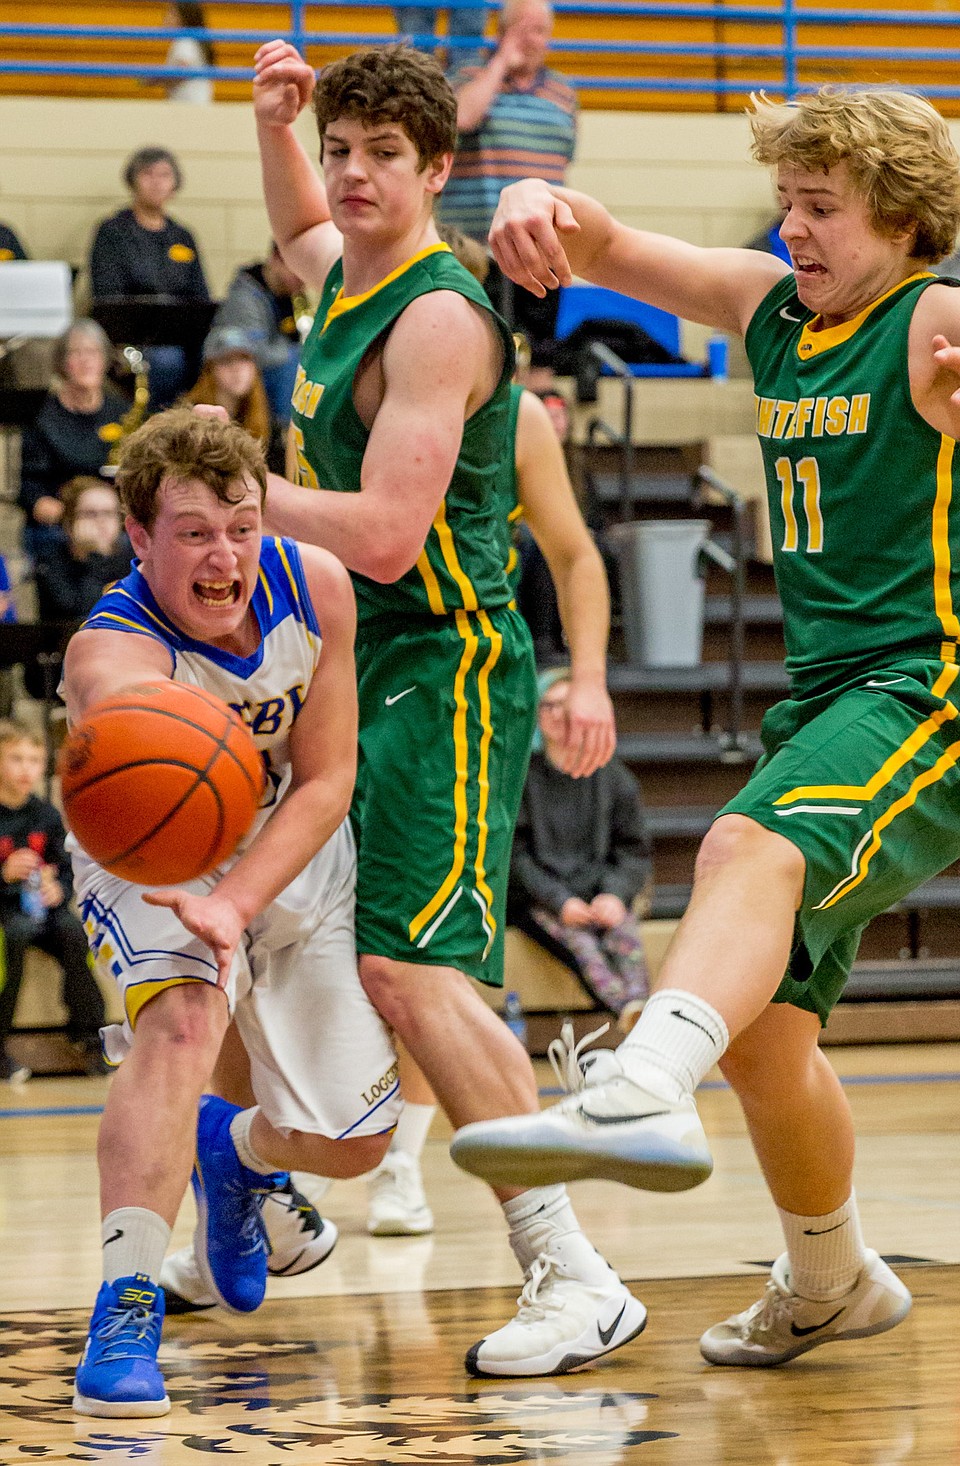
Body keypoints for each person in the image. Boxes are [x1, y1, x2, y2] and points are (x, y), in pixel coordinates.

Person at [447, 85, 960, 1368]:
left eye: (822, 207)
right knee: (768, 1032)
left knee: (737, 850)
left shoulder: (934, 314)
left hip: (933, 697)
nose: (796, 228)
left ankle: (642, 1082)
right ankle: (831, 1275)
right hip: (827, 702)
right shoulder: (772, 309)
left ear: (900, 215)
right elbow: (610, 248)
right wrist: (536, 205)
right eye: (788, 203)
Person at [250, 38, 639, 1376]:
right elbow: (301, 224)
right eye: (340, 148)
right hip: (358, 657)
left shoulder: (434, 315)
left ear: (440, 171)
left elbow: (389, 533)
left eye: (380, 158)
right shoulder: (341, 275)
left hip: (445, 663)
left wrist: (239, 497)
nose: (349, 177)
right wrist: (273, 123)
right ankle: (241, 1192)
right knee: (305, 949)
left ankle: (568, 1269)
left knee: (415, 972)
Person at [67, 409, 401, 1417]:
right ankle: (126, 1301)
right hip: (151, 847)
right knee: (178, 1022)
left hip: (284, 843)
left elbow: (328, 774)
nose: (226, 555)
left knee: (356, 1142)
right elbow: (118, 705)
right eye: (195, 531)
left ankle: (238, 1148)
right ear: (139, 537)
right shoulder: (108, 652)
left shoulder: (319, 586)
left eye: (243, 526)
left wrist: (240, 898)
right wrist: (206, 901)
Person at [365, 376, 613, 1240]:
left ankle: (408, 1163)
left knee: (428, 964)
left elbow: (577, 554)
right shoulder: (342, 375)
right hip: (342, 664)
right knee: (316, 946)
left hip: (450, 683)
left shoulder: (513, 422)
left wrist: (587, 680)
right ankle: (266, 1172)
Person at [510, 666, 652, 1026]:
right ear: (537, 717)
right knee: (584, 946)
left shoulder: (615, 778)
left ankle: (643, 1015)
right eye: (549, 706)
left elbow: (633, 852)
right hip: (541, 899)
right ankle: (632, 1015)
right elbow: (516, 859)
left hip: (599, 894)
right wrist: (561, 901)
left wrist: (614, 896)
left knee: (625, 940)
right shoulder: (520, 779)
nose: (559, 714)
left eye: (567, 705)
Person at [442, 0, 577, 360]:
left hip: (539, 249)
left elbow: (565, 161)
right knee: (472, 356)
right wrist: (501, 62)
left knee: (535, 358)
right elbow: (463, 119)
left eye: (540, 30)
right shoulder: (468, 77)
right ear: (501, 32)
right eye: (522, 29)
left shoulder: (563, 94)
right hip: (474, 253)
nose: (531, 40)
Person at [0, 721, 107, 1082]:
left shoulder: (46, 814)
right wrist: (4, 874)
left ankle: (90, 1039)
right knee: (12, 936)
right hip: (6, 914)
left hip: (43, 911)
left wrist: (59, 888)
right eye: (16, 758)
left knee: (75, 932)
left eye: (35, 759)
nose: (27, 768)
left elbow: (66, 868)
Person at [89, 146, 212, 408]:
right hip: (131, 342)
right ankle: (159, 423)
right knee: (168, 360)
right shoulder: (112, 233)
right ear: (133, 181)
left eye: (165, 175)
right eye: (148, 174)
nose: (156, 182)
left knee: (222, 355)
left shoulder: (182, 236)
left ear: (175, 185)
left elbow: (201, 297)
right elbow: (108, 299)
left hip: (183, 338)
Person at [19, 320, 128, 568]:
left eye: (93, 352)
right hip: (62, 522)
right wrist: (74, 517)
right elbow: (31, 488)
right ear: (62, 363)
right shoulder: (41, 418)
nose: (86, 360)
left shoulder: (123, 412)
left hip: (113, 520)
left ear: (105, 360)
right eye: (76, 353)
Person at [212, 241, 306, 434]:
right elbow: (255, 353)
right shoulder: (245, 298)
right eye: (298, 269)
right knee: (294, 362)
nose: (303, 279)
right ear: (276, 260)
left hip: (265, 372)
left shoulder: (287, 294)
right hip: (237, 372)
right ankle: (287, 435)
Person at [33, 477, 133, 624]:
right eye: (90, 514)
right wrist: (96, 554)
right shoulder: (51, 562)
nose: (101, 522)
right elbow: (81, 614)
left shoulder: (132, 560)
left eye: (109, 513)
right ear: (68, 522)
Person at [184, 326, 274, 461]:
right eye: (226, 360)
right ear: (209, 370)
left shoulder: (269, 424)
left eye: (244, 359)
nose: (237, 369)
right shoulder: (186, 418)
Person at [163, 2, 214, 104]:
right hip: (196, 103)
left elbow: (183, 68)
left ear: (183, 17)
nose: (166, 18)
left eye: (172, 13)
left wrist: (155, 78)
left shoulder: (184, 41)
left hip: (188, 104)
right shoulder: (193, 41)